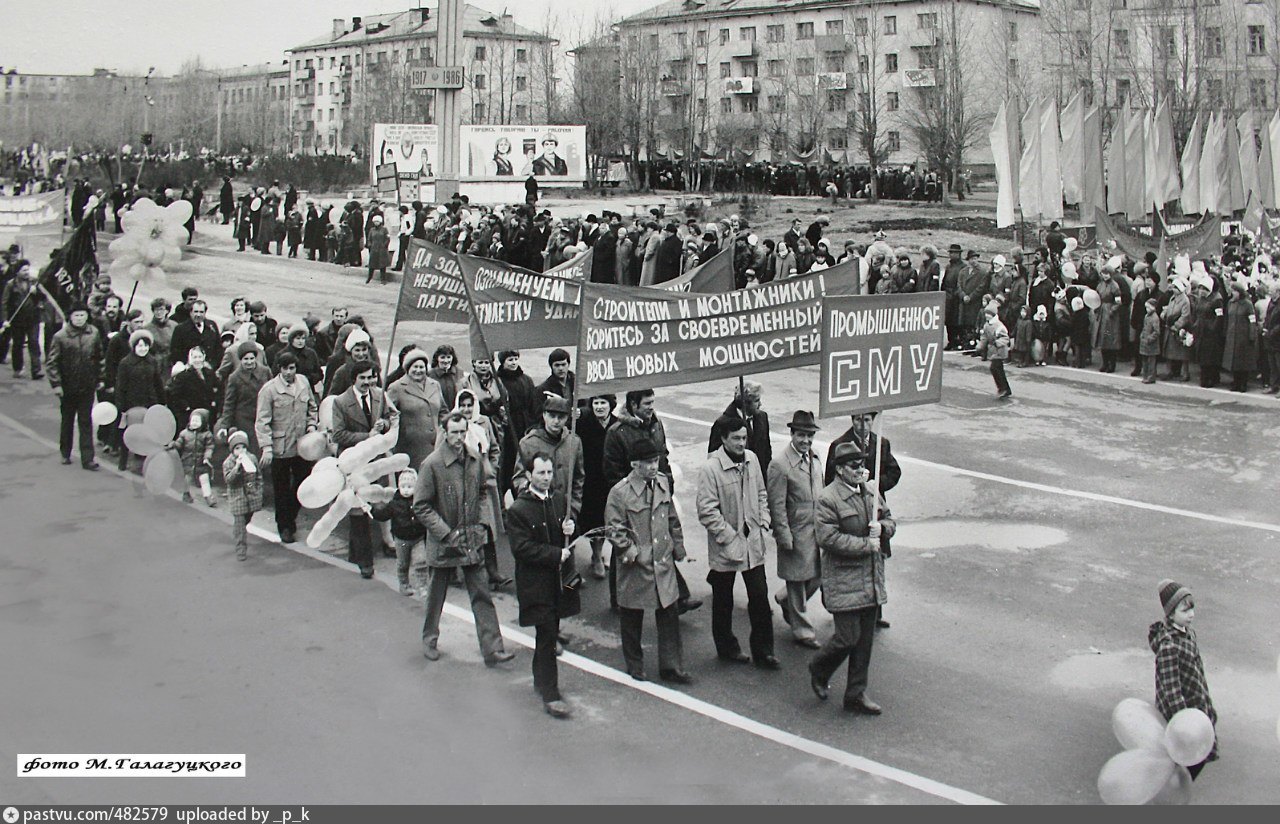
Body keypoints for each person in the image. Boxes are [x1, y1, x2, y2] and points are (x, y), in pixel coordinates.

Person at [413, 411, 515, 666]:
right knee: (436, 596)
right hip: (444, 543)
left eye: (462, 431)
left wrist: (480, 523)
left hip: (471, 540)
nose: (459, 437)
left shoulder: (474, 458)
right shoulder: (432, 464)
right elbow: (421, 506)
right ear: (444, 433)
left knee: (481, 594)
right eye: (454, 432)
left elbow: (482, 493)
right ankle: (429, 639)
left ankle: (493, 648)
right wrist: (446, 533)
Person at [808, 443, 896, 715]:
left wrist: (882, 529)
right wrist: (864, 545)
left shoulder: (871, 491)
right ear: (839, 470)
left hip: (870, 577)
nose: (860, 470)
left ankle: (855, 694)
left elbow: (890, 520)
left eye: (862, 465)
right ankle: (819, 667)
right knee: (847, 637)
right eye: (854, 466)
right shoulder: (827, 499)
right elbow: (827, 538)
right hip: (844, 579)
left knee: (865, 641)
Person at [604, 388, 699, 615]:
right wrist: (627, 496)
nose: (651, 407)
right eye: (646, 403)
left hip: (658, 492)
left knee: (659, 544)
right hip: (630, 499)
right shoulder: (617, 432)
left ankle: (678, 597)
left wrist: (668, 486)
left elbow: (662, 457)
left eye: (652, 402)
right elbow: (612, 470)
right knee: (626, 548)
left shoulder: (656, 424)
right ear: (633, 405)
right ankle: (619, 598)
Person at [606, 437, 692, 684]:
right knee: (632, 615)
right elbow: (614, 529)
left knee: (669, 613)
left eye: (655, 461)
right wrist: (630, 550)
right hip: (637, 563)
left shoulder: (662, 483)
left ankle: (671, 666)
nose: (653, 467)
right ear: (635, 464)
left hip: (662, 560)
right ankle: (635, 663)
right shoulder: (620, 493)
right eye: (648, 463)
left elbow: (672, 518)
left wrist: (678, 547)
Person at [696, 417, 777, 668]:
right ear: (723, 439)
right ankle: (726, 647)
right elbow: (707, 511)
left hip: (753, 543)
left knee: (760, 598)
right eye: (736, 439)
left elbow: (762, 494)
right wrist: (728, 537)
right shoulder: (710, 469)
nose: (742, 443)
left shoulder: (752, 460)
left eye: (744, 438)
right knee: (723, 600)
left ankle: (764, 651)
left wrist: (763, 521)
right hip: (726, 547)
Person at [505, 453, 581, 718]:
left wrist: (571, 527)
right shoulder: (518, 510)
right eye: (541, 473)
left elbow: (565, 534)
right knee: (548, 634)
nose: (547, 478)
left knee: (548, 633)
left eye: (549, 473)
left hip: (558, 583)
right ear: (528, 476)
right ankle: (550, 693)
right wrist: (554, 554)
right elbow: (522, 548)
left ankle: (540, 680)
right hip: (535, 584)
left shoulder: (559, 500)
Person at [331, 361, 398, 578]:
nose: (368, 382)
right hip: (354, 462)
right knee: (358, 510)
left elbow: (391, 418)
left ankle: (356, 552)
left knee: (377, 504)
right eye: (363, 378)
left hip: (376, 460)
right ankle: (365, 561)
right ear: (354, 380)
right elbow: (338, 435)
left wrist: (385, 426)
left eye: (371, 377)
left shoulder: (379, 395)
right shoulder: (341, 402)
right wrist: (366, 437)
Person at [1149, 580, 1218, 779]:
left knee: (1197, 755)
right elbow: (1171, 690)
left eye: (1192, 609)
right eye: (1184, 611)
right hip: (1181, 713)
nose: (1191, 615)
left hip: (1196, 703)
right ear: (1171, 614)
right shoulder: (1169, 645)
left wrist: (1206, 704)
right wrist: (1184, 723)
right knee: (1185, 758)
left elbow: (1197, 673)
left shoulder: (1188, 634)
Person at [767, 411, 823, 648]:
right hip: (795, 527)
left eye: (810, 436)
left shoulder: (815, 458)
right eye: (801, 435)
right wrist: (783, 534)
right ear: (792, 434)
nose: (806, 441)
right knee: (797, 579)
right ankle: (802, 629)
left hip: (816, 527)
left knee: (818, 575)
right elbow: (776, 504)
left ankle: (784, 599)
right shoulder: (780, 465)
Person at [254, 351, 319, 544]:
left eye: (293, 368)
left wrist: (312, 425)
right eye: (286, 368)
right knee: (281, 489)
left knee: (302, 482)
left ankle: (289, 516)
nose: (290, 372)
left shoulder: (303, 383)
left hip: (302, 445)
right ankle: (284, 526)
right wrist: (266, 447)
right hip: (280, 446)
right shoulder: (269, 390)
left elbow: (312, 407)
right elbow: (262, 421)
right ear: (279, 369)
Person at [46, 303, 103, 470]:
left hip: (87, 385)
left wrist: (100, 378)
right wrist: (56, 384)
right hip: (67, 386)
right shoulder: (60, 336)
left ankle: (88, 458)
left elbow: (99, 357)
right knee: (68, 420)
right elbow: (52, 363)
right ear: (70, 317)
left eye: (82, 315)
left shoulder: (94, 333)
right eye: (76, 315)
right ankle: (65, 452)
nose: (79, 319)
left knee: (86, 421)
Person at [578, 393, 619, 579]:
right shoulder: (584, 423)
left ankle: (605, 553)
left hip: (611, 480)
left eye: (603, 403)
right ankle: (596, 556)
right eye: (596, 403)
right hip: (591, 480)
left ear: (611, 405)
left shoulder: (617, 425)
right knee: (594, 519)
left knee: (611, 519)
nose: (599, 407)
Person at [114, 329, 166, 472]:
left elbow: (157, 383)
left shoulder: (153, 361)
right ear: (134, 347)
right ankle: (123, 461)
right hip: (131, 403)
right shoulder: (125, 363)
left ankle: (146, 462)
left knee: (148, 433)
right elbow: (121, 386)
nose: (143, 349)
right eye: (140, 346)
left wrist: (162, 402)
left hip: (149, 401)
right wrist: (121, 406)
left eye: (145, 345)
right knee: (129, 432)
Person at [371, 469, 427, 596]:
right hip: (401, 539)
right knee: (403, 563)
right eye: (403, 486)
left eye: (410, 487)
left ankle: (422, 586)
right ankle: (404, 584)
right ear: (398, 487)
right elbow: (383, 515)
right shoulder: (394, 504)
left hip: (418, 537)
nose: (406, 490)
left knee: (421, 561)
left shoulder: (419, 501)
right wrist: (371, 510)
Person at [386, 348, 443, 471]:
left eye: (421, 367)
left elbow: (443, 411)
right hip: (410, 449)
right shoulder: (396, 388)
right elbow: (386, 415)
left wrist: (443, 430)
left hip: (435, 447)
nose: (418, 370)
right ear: (407, 368)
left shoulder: (434, 385)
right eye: (414, 367)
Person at [216, 342, 271, 455]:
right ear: (241, 360)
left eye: (252, 358)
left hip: (264, 415)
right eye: (246, 359)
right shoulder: (234, 377)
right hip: (245, 418)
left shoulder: (265, 372)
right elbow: (229, 403)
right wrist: (224, 425)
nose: (249, 362)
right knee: (252, 449)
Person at [707, 379, 771, 474]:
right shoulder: (722, 424)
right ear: (745, 403)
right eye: (756, 401)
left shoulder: (762, 417)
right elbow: (713, 460)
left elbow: (767, 452)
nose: (760, 404)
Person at [222, 430, 263, 561]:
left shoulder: (251, 459)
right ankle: (241, 548)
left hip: (251, 496)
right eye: (237, 448)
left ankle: (239, 530)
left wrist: (259, 491)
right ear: (232, 450)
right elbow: (229, 479)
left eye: (243, 447)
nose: (241, 451)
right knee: (240, 524)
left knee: (246, 519)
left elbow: (258, 476)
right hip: (237, 497)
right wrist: (237, 467)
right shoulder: (228, 463)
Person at [1, 261, 44, 378]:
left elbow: (43, 297)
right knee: (18, 344)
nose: (27, 272)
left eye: (27, 270)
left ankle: (36, 370)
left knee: (34, 343)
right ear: (18, 271)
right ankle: (18, 368)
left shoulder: (34, 282)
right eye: (24, 270)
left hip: (33, 319)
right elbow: (4, 303)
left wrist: (37, 292)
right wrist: (4, 320)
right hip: (17, 320)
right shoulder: (10, 285)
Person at [169, 299, 223, 368]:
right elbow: (175, 352)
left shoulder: (212, 326)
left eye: (201, 312)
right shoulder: (180, 329)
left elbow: (218, 349)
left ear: (205, 313)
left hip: (209, 369)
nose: (198, 315)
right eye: (196, 312)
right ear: (190, 312)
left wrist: (211, 365)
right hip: (189, 371)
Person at [978, 304, 1013, 399]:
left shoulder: (999, 326)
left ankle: (1002, 388)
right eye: (986, 314)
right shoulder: (986, 325)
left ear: (993, 315)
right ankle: (1005, 389)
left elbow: (1005, 338)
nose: (986, 316)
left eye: (989, 314)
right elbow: (984, 337)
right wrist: (980, 346)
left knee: (994, 368)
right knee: (998, 370)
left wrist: (997, 342)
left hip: (999, 351)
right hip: (993, 351)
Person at [1139, 299, 1162, 384]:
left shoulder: (1155, 318)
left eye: (1148, 308)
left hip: (1151, 343)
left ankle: (1151, 376)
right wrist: (1142, 335)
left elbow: (1157, 332)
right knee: (1145, 360)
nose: (1147, 309)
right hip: (1145, 341)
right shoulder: (1146, 316)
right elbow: (1144, 327)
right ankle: (1145, 375)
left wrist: (1150, 338)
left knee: (1151, 361)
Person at [366, 214, 392, 284]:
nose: (376, 223)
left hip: (382, 250)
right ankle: (369, 277)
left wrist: (384, 245)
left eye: (377, 221)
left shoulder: (384, 229)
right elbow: (369, 239)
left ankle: (383, 279)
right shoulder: (372, 230)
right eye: (374, 222)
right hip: (374, 249)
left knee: (382, 265)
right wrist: (370, 245)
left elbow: (387, 238)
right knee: (372, 264)